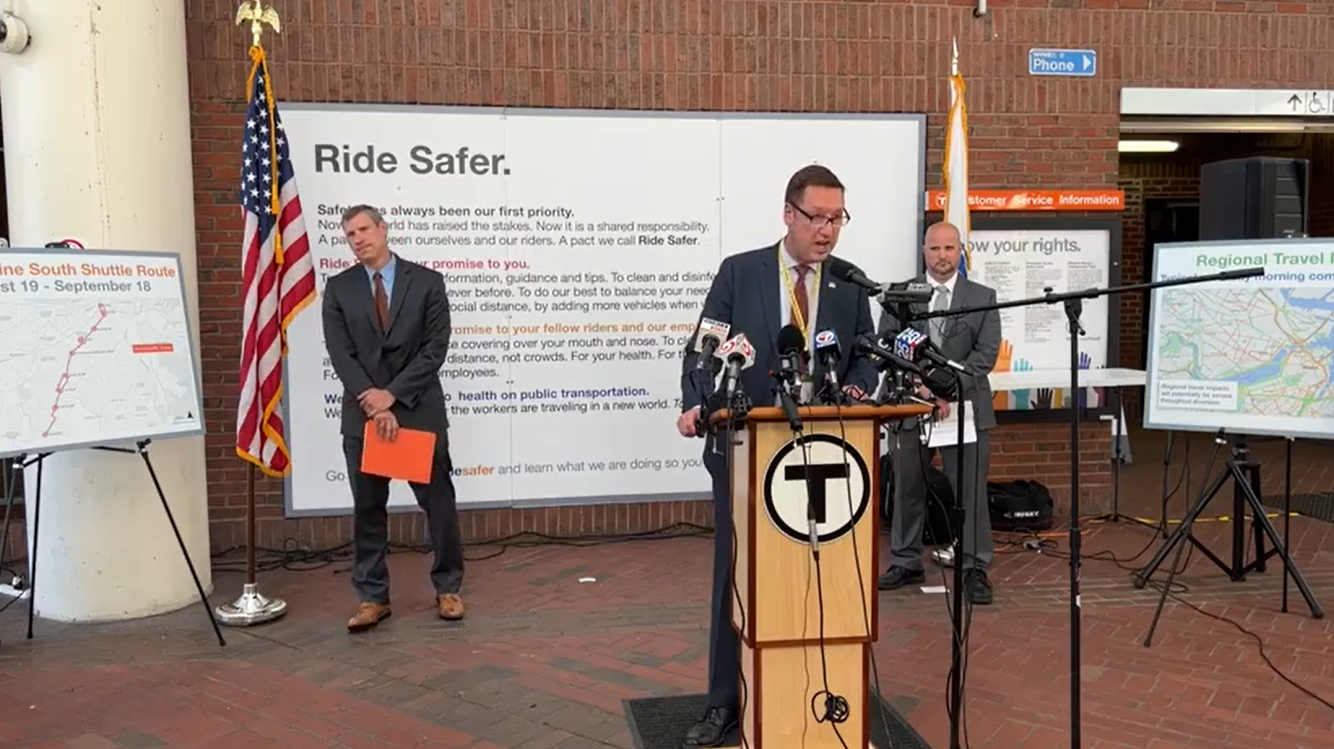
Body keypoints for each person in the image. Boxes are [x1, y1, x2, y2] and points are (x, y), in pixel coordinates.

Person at [675, 165, 880, 748]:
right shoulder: (740, 272)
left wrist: (860, 390)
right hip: (747, 445)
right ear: (788, 214)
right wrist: (695, 402)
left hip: (827, 451)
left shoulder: (848, 282)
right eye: (818, 217)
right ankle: (723, 701)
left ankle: (812, 683)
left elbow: (863, 357)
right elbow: (704, 347)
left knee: (823, 568)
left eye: (837, 218)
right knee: (735, 574)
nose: (828, 230)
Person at [322, 204, 466, 631]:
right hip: (363, 414)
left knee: (438, 504)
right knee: (368, 507)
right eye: (349, 234)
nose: (358, 238)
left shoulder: (426, 283)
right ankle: (372, 597)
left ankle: (448, 588)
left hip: (418, 409)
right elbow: (341, 354)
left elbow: (434, 350)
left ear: (384, 230)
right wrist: (373, 400)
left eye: (364, 229)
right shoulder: (339, 289)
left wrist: (393, 396)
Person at [876, 221, 1000, 605]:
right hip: (911, 404)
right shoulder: (901, 297)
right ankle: (907, 560)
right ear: (924, 251)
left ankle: (973, 566)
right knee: (908, 487)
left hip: (964, 407)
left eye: (950, 249)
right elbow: (888, 346)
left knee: (970, 491)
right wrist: (923, 387)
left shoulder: (983, 295)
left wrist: (946, 385)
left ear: (960, 251)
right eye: (935, 249)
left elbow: (985, 355)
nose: (943, 256)